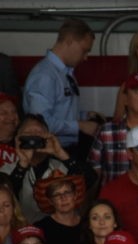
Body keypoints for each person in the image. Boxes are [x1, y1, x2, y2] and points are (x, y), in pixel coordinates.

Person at [22, 19, 100, 150]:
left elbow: (60, 111)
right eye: (84, 50)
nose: (86, 57)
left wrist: (85, 116)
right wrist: (80, 126)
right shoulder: (45, 75)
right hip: (49, 152)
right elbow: (40, 123)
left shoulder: (64, 73)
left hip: (64, 149)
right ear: (69, 41)